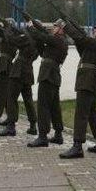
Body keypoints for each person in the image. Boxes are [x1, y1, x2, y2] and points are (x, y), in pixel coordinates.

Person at [59, 20, 96, 159]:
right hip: (89, 79)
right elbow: (82, 47)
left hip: (88, 80)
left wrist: (66, 26)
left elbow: (82, 38)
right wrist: (77, 31)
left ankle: (77, 146)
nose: (95, 30)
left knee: (81, 113)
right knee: (92, 112)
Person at [26, 19, 68, 147]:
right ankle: (58, 134)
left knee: (43, 106)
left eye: (56, 26)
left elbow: (42, 36)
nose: (53, 28)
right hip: (51, 74)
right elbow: (43, 52)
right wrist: (38, 39)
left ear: (61, 29)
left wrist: (31, 28)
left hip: (48, 75)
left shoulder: (59, 39)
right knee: (54, 106)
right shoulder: (56, 41)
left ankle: (43, 136)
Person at [0, 22, 39, 137]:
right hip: (28, 71)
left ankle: (11, 126)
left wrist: (8, 29)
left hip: (19, 71)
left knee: (11, 97)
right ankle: (33, 125)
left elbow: (12, 40)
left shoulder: (27, 38)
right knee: (28, 99)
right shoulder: (37, 41)